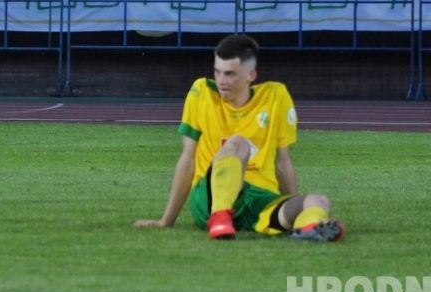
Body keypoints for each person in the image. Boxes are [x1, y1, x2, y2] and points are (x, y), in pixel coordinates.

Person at [134, 34, 344, 243]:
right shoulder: (202, 92)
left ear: (250, 74)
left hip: (258, 200)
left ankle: (308, 229)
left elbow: (283, 162)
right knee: (237, 143)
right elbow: (188, 159)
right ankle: (220, 217)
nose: (221, 81)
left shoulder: (276, 96)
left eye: (230, 74)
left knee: (318, 201)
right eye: (217, 72)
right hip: (211, 197)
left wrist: (295, 203)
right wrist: (166, 220)